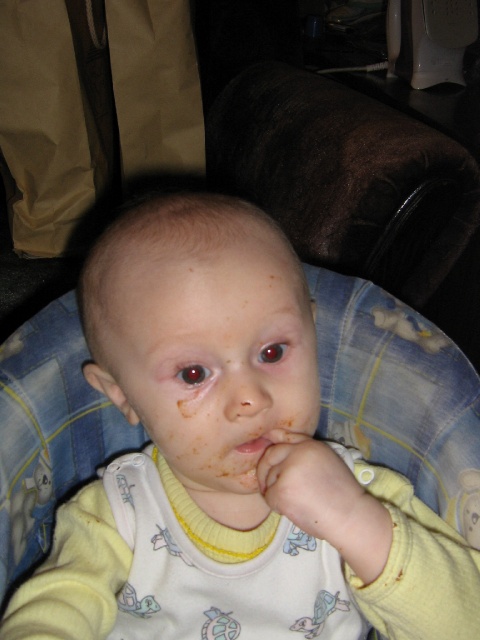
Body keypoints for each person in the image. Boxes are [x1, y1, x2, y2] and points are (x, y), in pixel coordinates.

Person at [1, 192, 479, 639]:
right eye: (193, 373)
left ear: (313, 335)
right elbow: (55, 610)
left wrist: (354, 521)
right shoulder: (117, 516)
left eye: (273, 352)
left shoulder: (361, 493)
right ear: (121, 395)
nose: (249, 399)